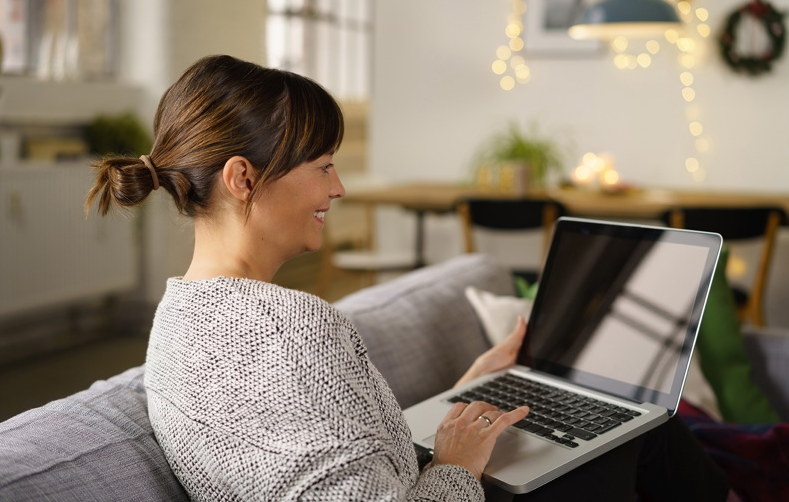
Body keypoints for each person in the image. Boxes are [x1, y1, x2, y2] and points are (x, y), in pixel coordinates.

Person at [86, 54, 728, 501]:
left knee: (634, 428)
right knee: (644, 429)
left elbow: (336, 460)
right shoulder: (292, 330)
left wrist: (468, 390)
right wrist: (455, 470)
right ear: (242, 178)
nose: (336, 188)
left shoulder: (174, 321)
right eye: (323, 166)